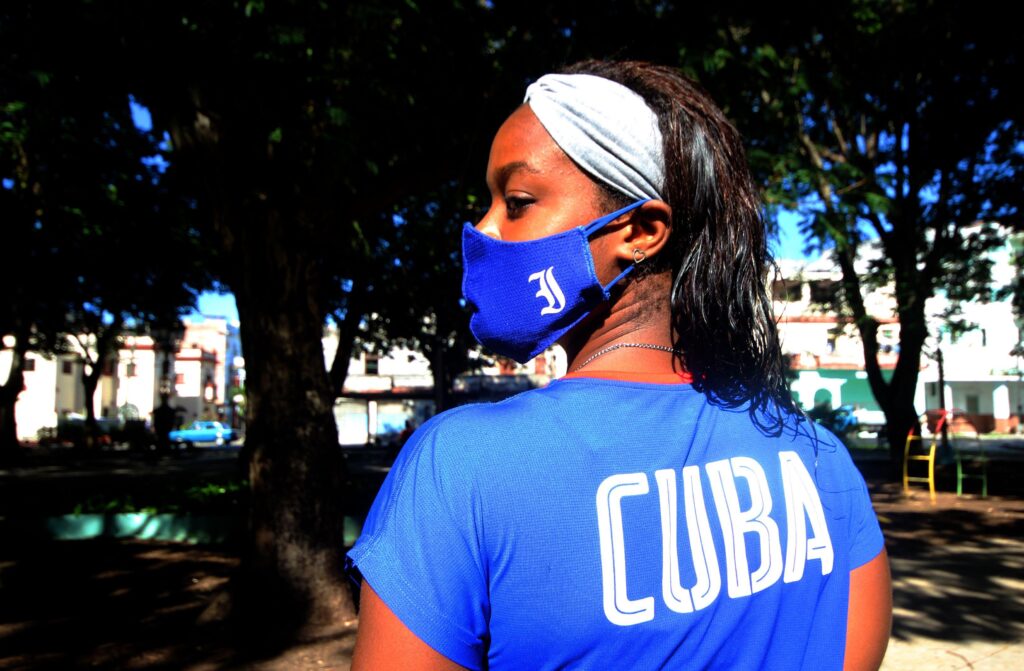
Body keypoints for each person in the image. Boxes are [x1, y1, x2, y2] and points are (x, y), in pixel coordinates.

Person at [347, 61, 891, 670]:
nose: (482, 228)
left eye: (518, 201)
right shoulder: (820, 458)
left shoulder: (459, 466)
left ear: (641, 231)